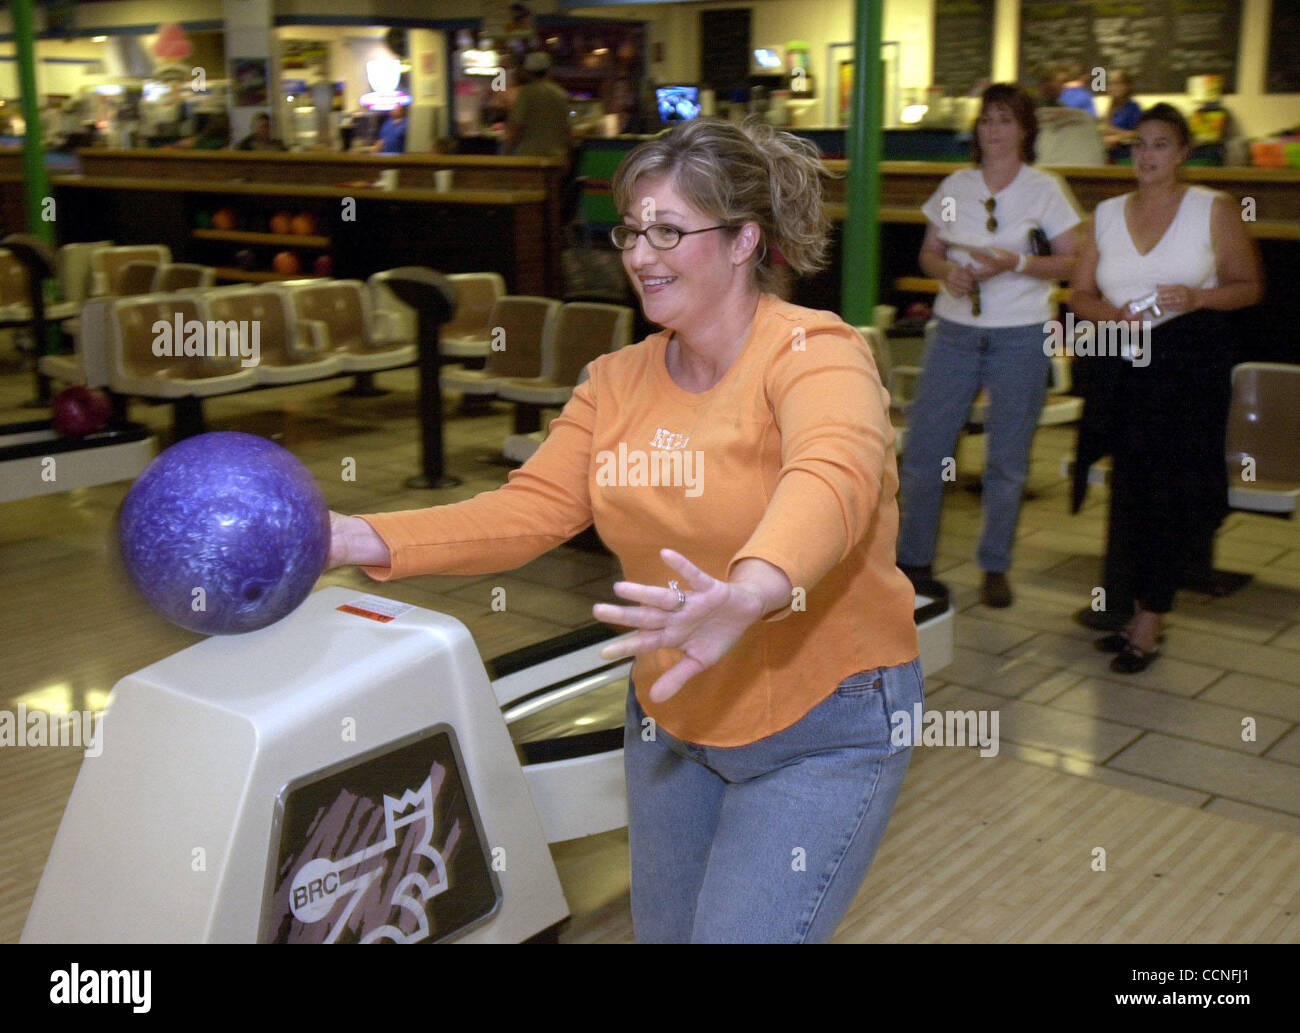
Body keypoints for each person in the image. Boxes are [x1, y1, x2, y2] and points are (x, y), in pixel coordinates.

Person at [326, 117, 923, 943]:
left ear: (746, 238)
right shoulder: (615, 380)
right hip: (674, 709)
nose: (640, 255)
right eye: (632, 230)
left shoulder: (817, 354)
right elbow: (528, 509)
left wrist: (752, 588)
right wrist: (358, 536)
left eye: (669, 231)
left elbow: (832, 476)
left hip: (823, 721)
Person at [1068, 103, 1263, 672]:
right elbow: (1079, 296)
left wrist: (1197, 297)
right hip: (1125, 369)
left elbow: (1249, 286)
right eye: (1139, 145)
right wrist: (1110, 314)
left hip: (1188, 368)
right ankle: (1135, 606)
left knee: (1174, 493)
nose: (1147, 156)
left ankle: (1153, 618)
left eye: (1160, 145)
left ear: (1181, 153)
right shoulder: (1104, 214)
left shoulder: (1213, 209)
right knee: (1131, 492)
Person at [898, 83, 1082, 607]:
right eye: (987, 121)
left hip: (1020, 334)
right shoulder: (956, 185)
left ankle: (995, 565)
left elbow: (1074, 260)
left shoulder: (1045, 188)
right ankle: (914, 563)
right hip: (954, 332)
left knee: (1008, 458)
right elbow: (929, 253)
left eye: (1005, 121)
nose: (993, 131)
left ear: (1025, 130)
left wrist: (1016, 263)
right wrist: (947, 273)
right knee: (926, 451)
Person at [506, 52, 572, 164]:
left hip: (531, 159)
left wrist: (506, 153)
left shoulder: (527, 93)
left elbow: (517, 127)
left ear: (527, 72)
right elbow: (567, 130)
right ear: (548, 70)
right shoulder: (561, 93)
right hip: (556, 158)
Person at [1101, 69, 1141, 163]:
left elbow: (1140, 134)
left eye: (1118, 83)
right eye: (1110, 84)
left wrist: (1117, 136)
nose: (1113, 87)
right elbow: (1105, 130)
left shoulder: (1133, 108)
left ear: (1127, 86)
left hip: (1127, 159)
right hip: (1110, 158)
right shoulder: (1110, 107)